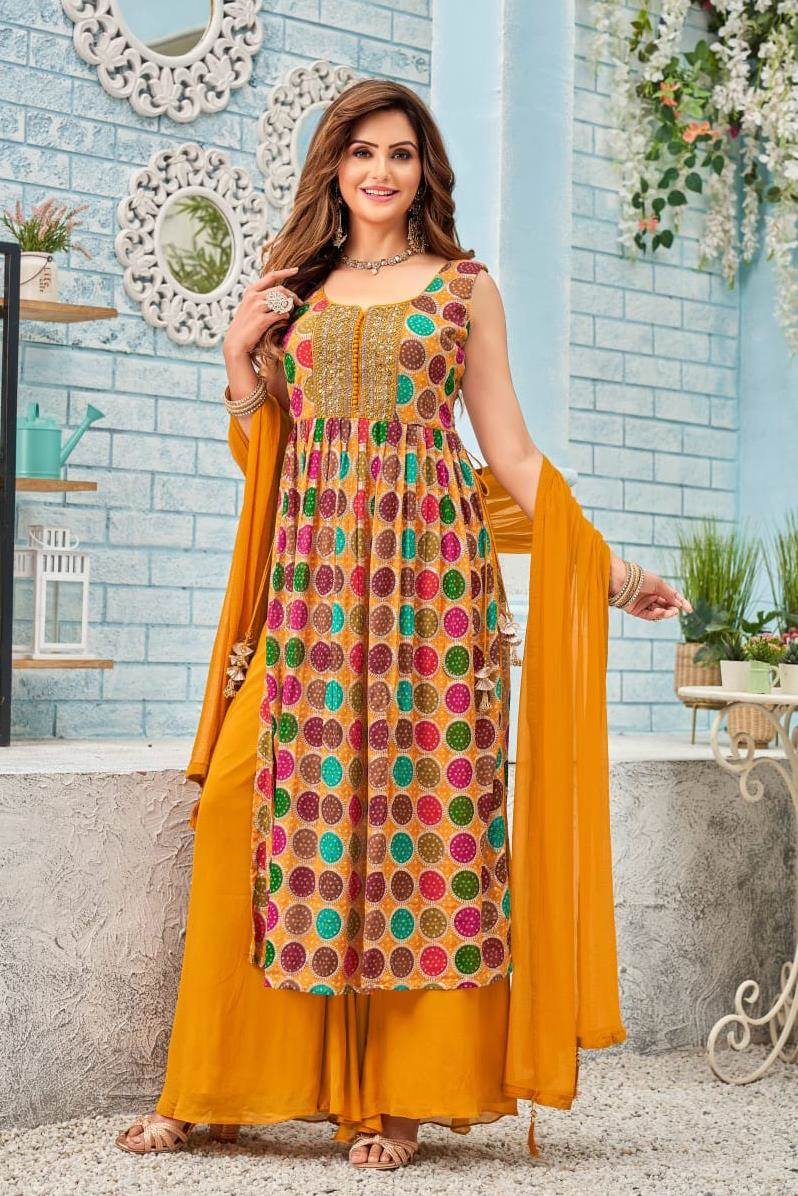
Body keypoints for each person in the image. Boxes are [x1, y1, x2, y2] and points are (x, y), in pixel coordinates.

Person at [115, 79, 691, 1171]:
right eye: (362, 152)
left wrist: (613, 574)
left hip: (433, 598)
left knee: (422, 831)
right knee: (244, 807)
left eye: (401, 153)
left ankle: (403, 1102)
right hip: (311, 600)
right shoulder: (296, 292)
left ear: (425, 172)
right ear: (333, 167)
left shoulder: (464, 289)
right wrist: (238, 364)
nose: (381, 171)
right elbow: (267, 456)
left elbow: (510, 453)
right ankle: (210, 1084)